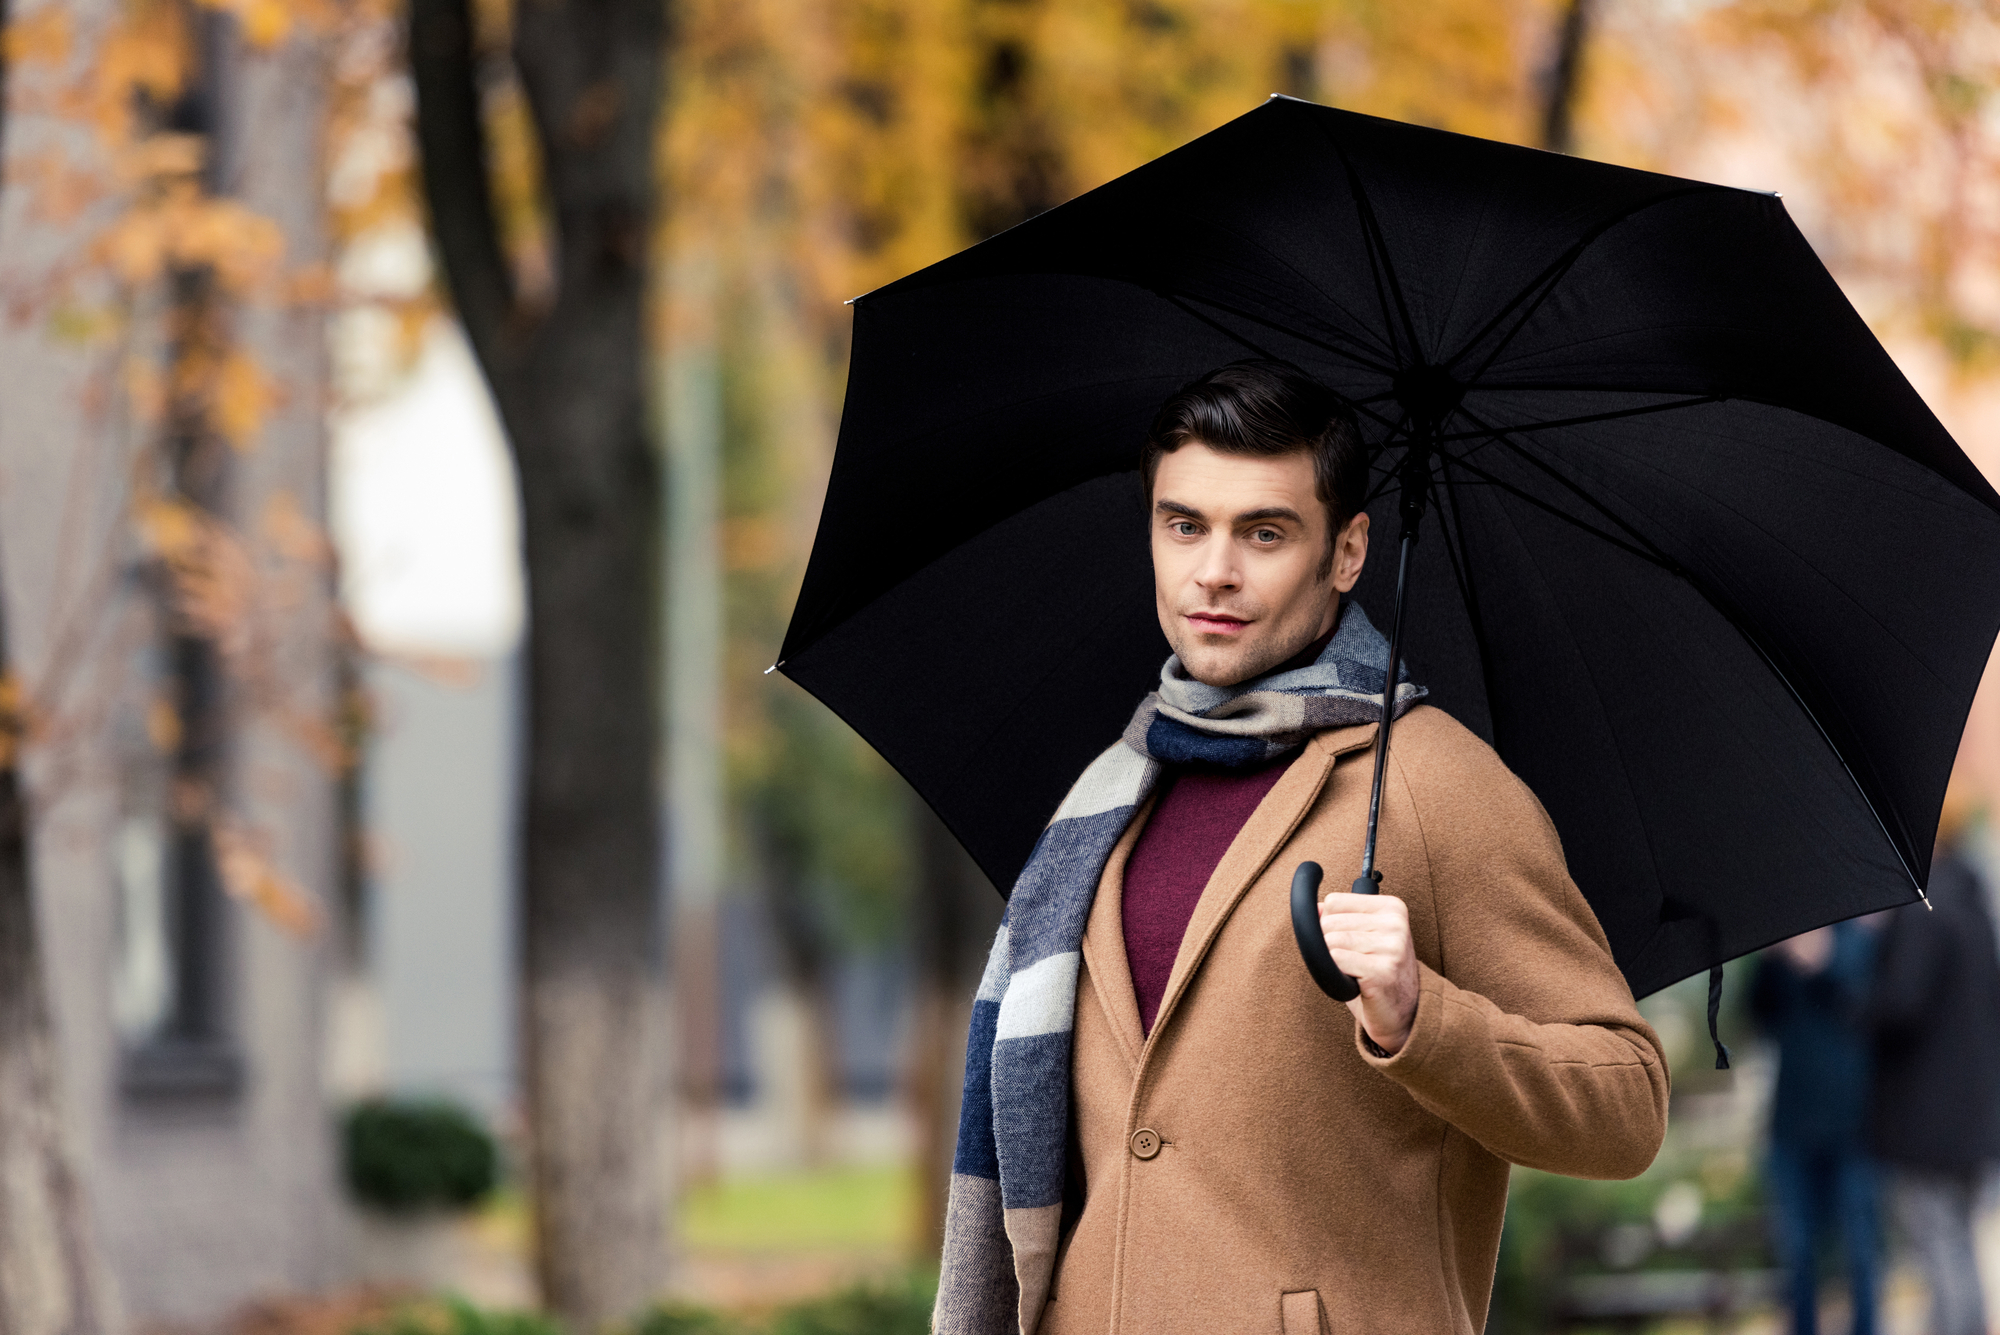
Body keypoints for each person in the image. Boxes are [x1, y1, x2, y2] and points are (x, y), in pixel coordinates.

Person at [935, 362, 1669, 1335]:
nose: (1213, 573)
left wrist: (1422, 1017)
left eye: (1264, 533)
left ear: (1347, 550)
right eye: (1183, 524)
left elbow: (1626, 1108)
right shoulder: (1106, 794)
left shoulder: (1436, 787)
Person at [1868, 830, 2000, 1335]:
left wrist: (1859, 1002)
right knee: (1961, 1245)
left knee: (1938, 1249)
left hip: (1926, 1123)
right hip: (1975, 1120)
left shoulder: (1923, 913)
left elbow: (1900, 1003)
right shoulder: (1976, 908)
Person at [1752, 921, 1880, 1335]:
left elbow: (1871, 1004)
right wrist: (1772, 960)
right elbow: (1759, 1016)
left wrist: (1823, 962)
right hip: (1791, 1127)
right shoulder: (1779, 947)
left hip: (1853, 1126)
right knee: (1797, 1251)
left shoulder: (1858, 940)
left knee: (1860, 1248)